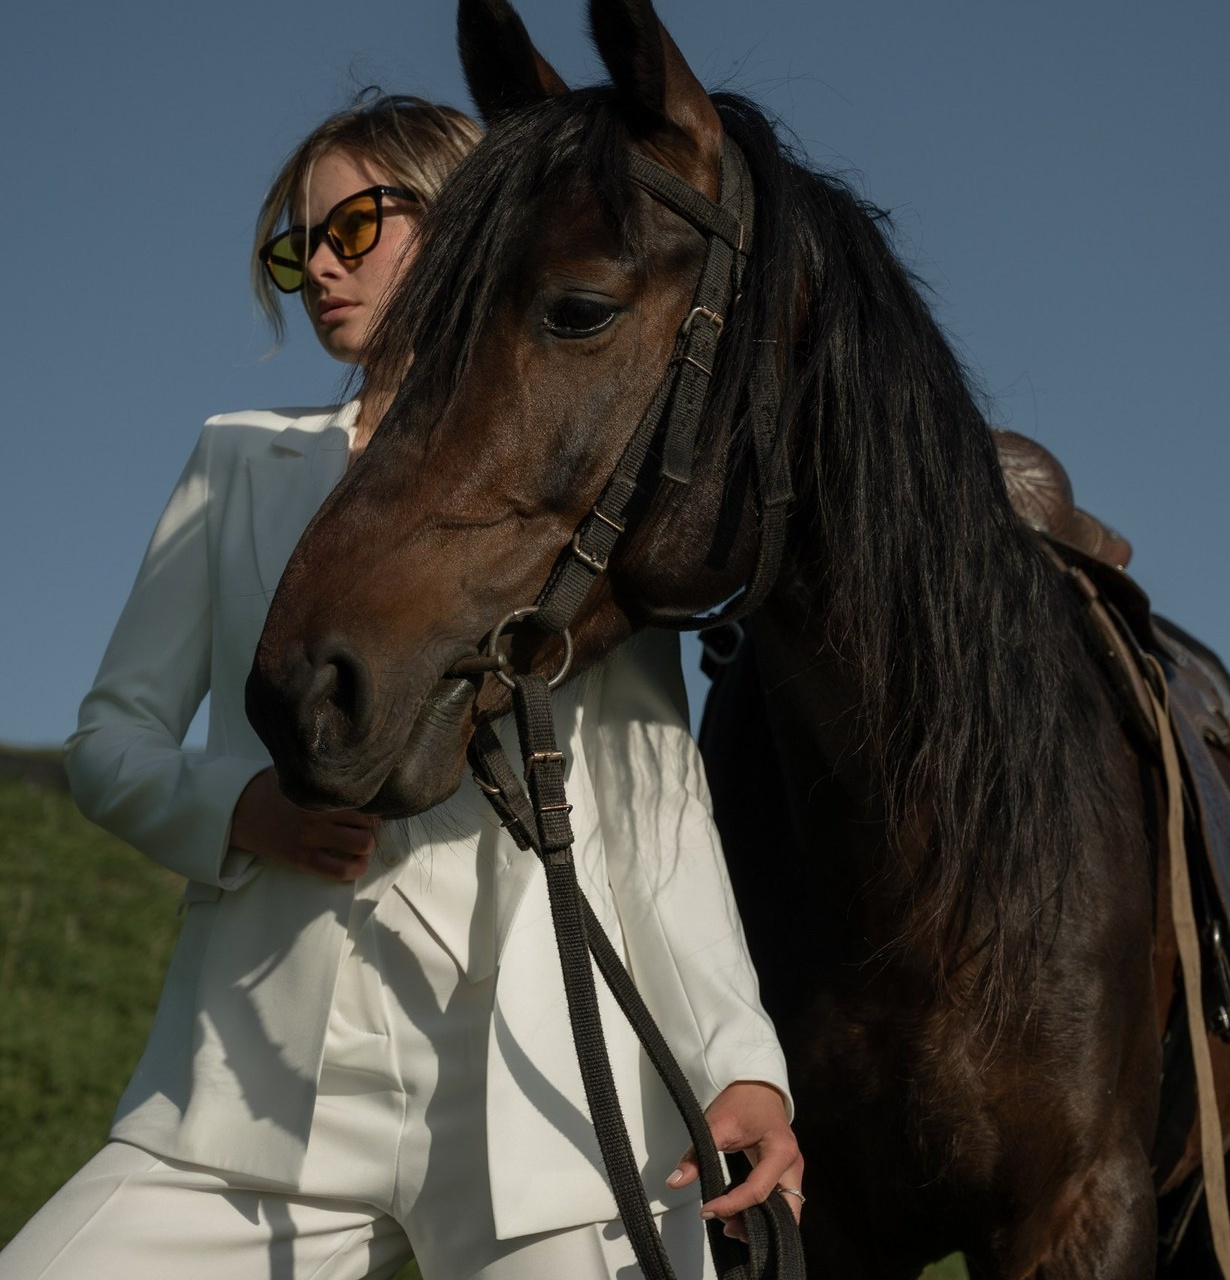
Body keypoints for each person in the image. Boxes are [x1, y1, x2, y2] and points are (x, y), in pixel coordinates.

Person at [0, 93, 801, 1280]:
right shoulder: (235, 460)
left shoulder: (580, 478)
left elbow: (653, 807)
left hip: (538, 1099)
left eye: (352, 226)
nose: (318, 267)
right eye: (296, 248)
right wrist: (242, 810)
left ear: (464, 217)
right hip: (253, 1089)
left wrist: (739, 1060)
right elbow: (110, 739)